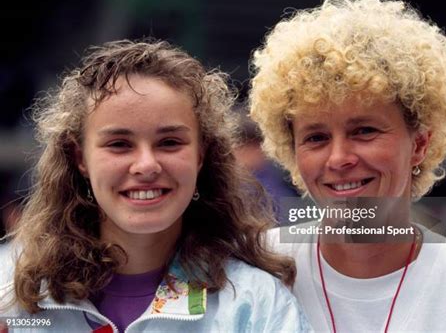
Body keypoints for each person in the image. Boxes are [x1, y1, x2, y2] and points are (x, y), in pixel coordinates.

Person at [0, 39, 311, 332]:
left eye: (169, 142)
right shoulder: (12, 301)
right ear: (80, 157)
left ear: (201, 155)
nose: (147, 165)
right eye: (120, 144)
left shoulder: (255, 303)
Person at [249, 0, 446, 332]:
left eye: (364, 131)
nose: (339, 159)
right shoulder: (256, 270)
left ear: (420, 144)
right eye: (316, 138)